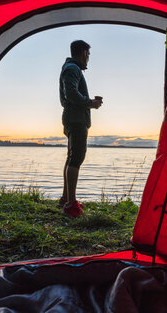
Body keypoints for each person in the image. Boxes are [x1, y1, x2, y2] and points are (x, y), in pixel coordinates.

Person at [58, 40, 102, 217]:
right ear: (84, 53)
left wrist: (90, 103)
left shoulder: (71, 68)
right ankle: (71, 204)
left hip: (74, 117)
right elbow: (71, 94)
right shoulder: (72, 69)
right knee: (76, 158)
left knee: (71, 158)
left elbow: (72, 93)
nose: (89, 59)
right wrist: (90, 103)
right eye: (88, 55)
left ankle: (66, 198)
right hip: (76, 119)